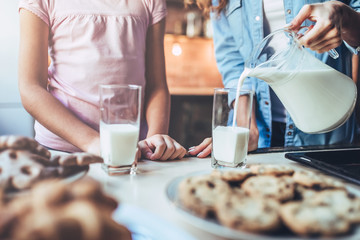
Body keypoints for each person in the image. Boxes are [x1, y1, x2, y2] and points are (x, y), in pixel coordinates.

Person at [186, 0, 360, 158]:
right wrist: (246, 128)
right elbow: (233, 62)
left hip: (326, 130)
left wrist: (344, 16)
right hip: (262, 138)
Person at [18, 0, 187, 161]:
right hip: (60, 150)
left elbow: (156, 85)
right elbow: (30, 87)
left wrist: (154, 139)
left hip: (131, 150)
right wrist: (92, 142)